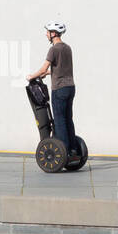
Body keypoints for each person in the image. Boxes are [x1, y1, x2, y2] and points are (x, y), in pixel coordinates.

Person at [28, 21, 78, 156]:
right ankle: (73, 149)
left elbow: (44, 67)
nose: (46, 34)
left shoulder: (54, 49)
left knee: (59, 120)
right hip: (70, 87)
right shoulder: (67, 48)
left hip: (59, 89)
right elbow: (62, 68)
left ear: (53, 34)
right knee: (68, 118)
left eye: (47, 32)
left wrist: (32, 76)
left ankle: (64, 151)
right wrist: (48, 73)